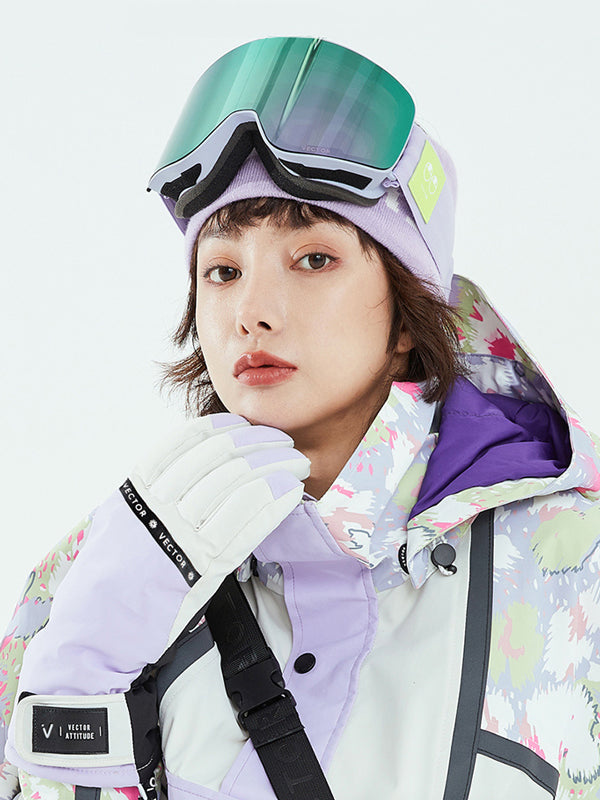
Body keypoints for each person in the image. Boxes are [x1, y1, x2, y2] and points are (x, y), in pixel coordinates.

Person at [1, 35, 599, 800]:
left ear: (408, 313)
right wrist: (78, 679)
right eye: (223, 270)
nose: (251, 312)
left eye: (314, 259)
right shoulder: (101, 569)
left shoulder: (567, 566)